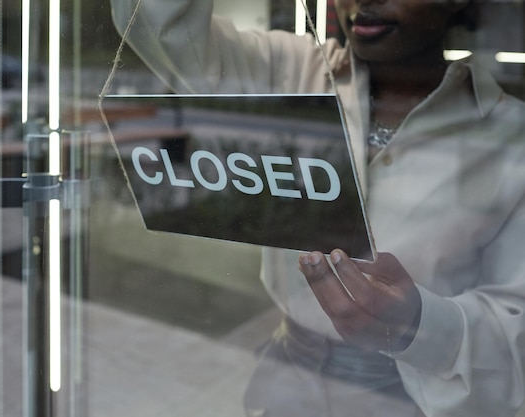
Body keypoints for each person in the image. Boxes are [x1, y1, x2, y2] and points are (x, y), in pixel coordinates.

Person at [111, 0, 525, 416]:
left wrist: (418, 323)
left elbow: (516, 324)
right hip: (288, 380)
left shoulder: (509, 135)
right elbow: (158, 23)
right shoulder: (291, 69)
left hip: (415, 398)